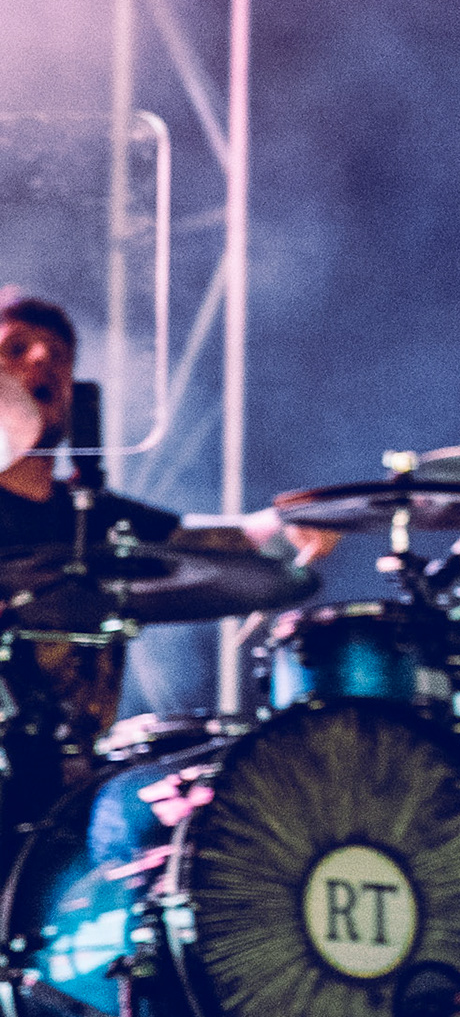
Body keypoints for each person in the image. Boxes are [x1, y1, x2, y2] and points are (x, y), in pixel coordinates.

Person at [0, 291, 330, 801]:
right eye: (16, 348)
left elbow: (212, 548)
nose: (43, 359)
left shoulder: (92, 513)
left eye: (59, 354)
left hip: (72, 775)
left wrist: (303, 520)